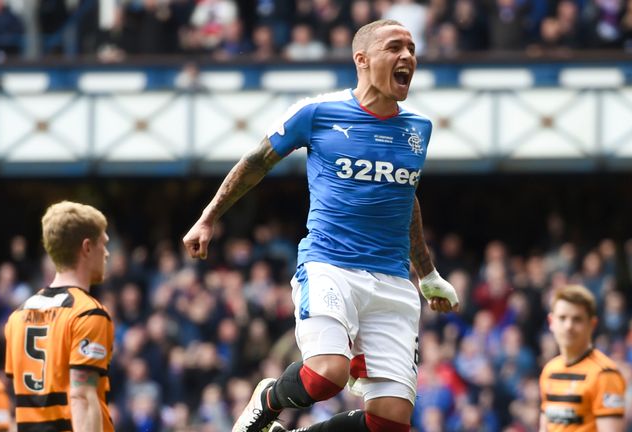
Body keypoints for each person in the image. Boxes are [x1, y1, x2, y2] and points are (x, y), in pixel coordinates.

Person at [183, 19, 459, 432]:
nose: (407, 57)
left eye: (412, 49)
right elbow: (256, 162)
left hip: (393, 282)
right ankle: (267, 399)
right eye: (394, 47)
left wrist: (429, 273)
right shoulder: (317, 113)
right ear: (361, 60)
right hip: (330, 265)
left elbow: (404, 198)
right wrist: (208, 218)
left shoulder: (418, 128)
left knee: (391, 422)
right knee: (327, 373)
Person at [4, 201, 114, 432]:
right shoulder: (88, 313)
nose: (107, 253)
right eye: (103, 244)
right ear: (87, 247)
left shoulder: (18, 316)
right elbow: (82, 396)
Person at [539, 285, 626, 432]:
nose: (568, 326)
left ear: (592, 324)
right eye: (562, 318)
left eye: (577, 319)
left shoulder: (605, 374)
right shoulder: (549, 370)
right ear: (551, 322)